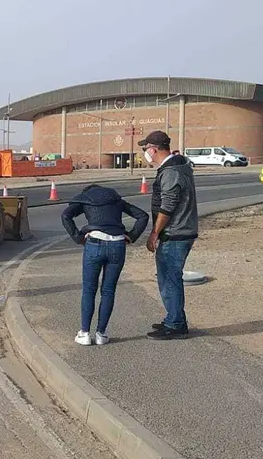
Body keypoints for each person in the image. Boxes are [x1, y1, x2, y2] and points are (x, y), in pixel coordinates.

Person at [61, 185, 149, 346]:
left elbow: (66, 215)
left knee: (89, 289)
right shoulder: (116, 200)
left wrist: (78, 237)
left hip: (94, 243)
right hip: (117, 245)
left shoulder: (85, 200)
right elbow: (143, 216)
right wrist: (131, 236)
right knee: (108, 291)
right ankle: (101, 334)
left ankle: (85, 333)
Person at [138, 130, 199, 340]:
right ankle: (174, 318)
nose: (145, 153)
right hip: (180, 231)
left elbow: (168, 205)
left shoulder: (172, 172)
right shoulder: (176, 167)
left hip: (176, 233)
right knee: (168, 278)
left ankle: (176, 325)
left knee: (170, 279)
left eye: (146, 149)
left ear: (154, 149)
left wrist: (154, 233)